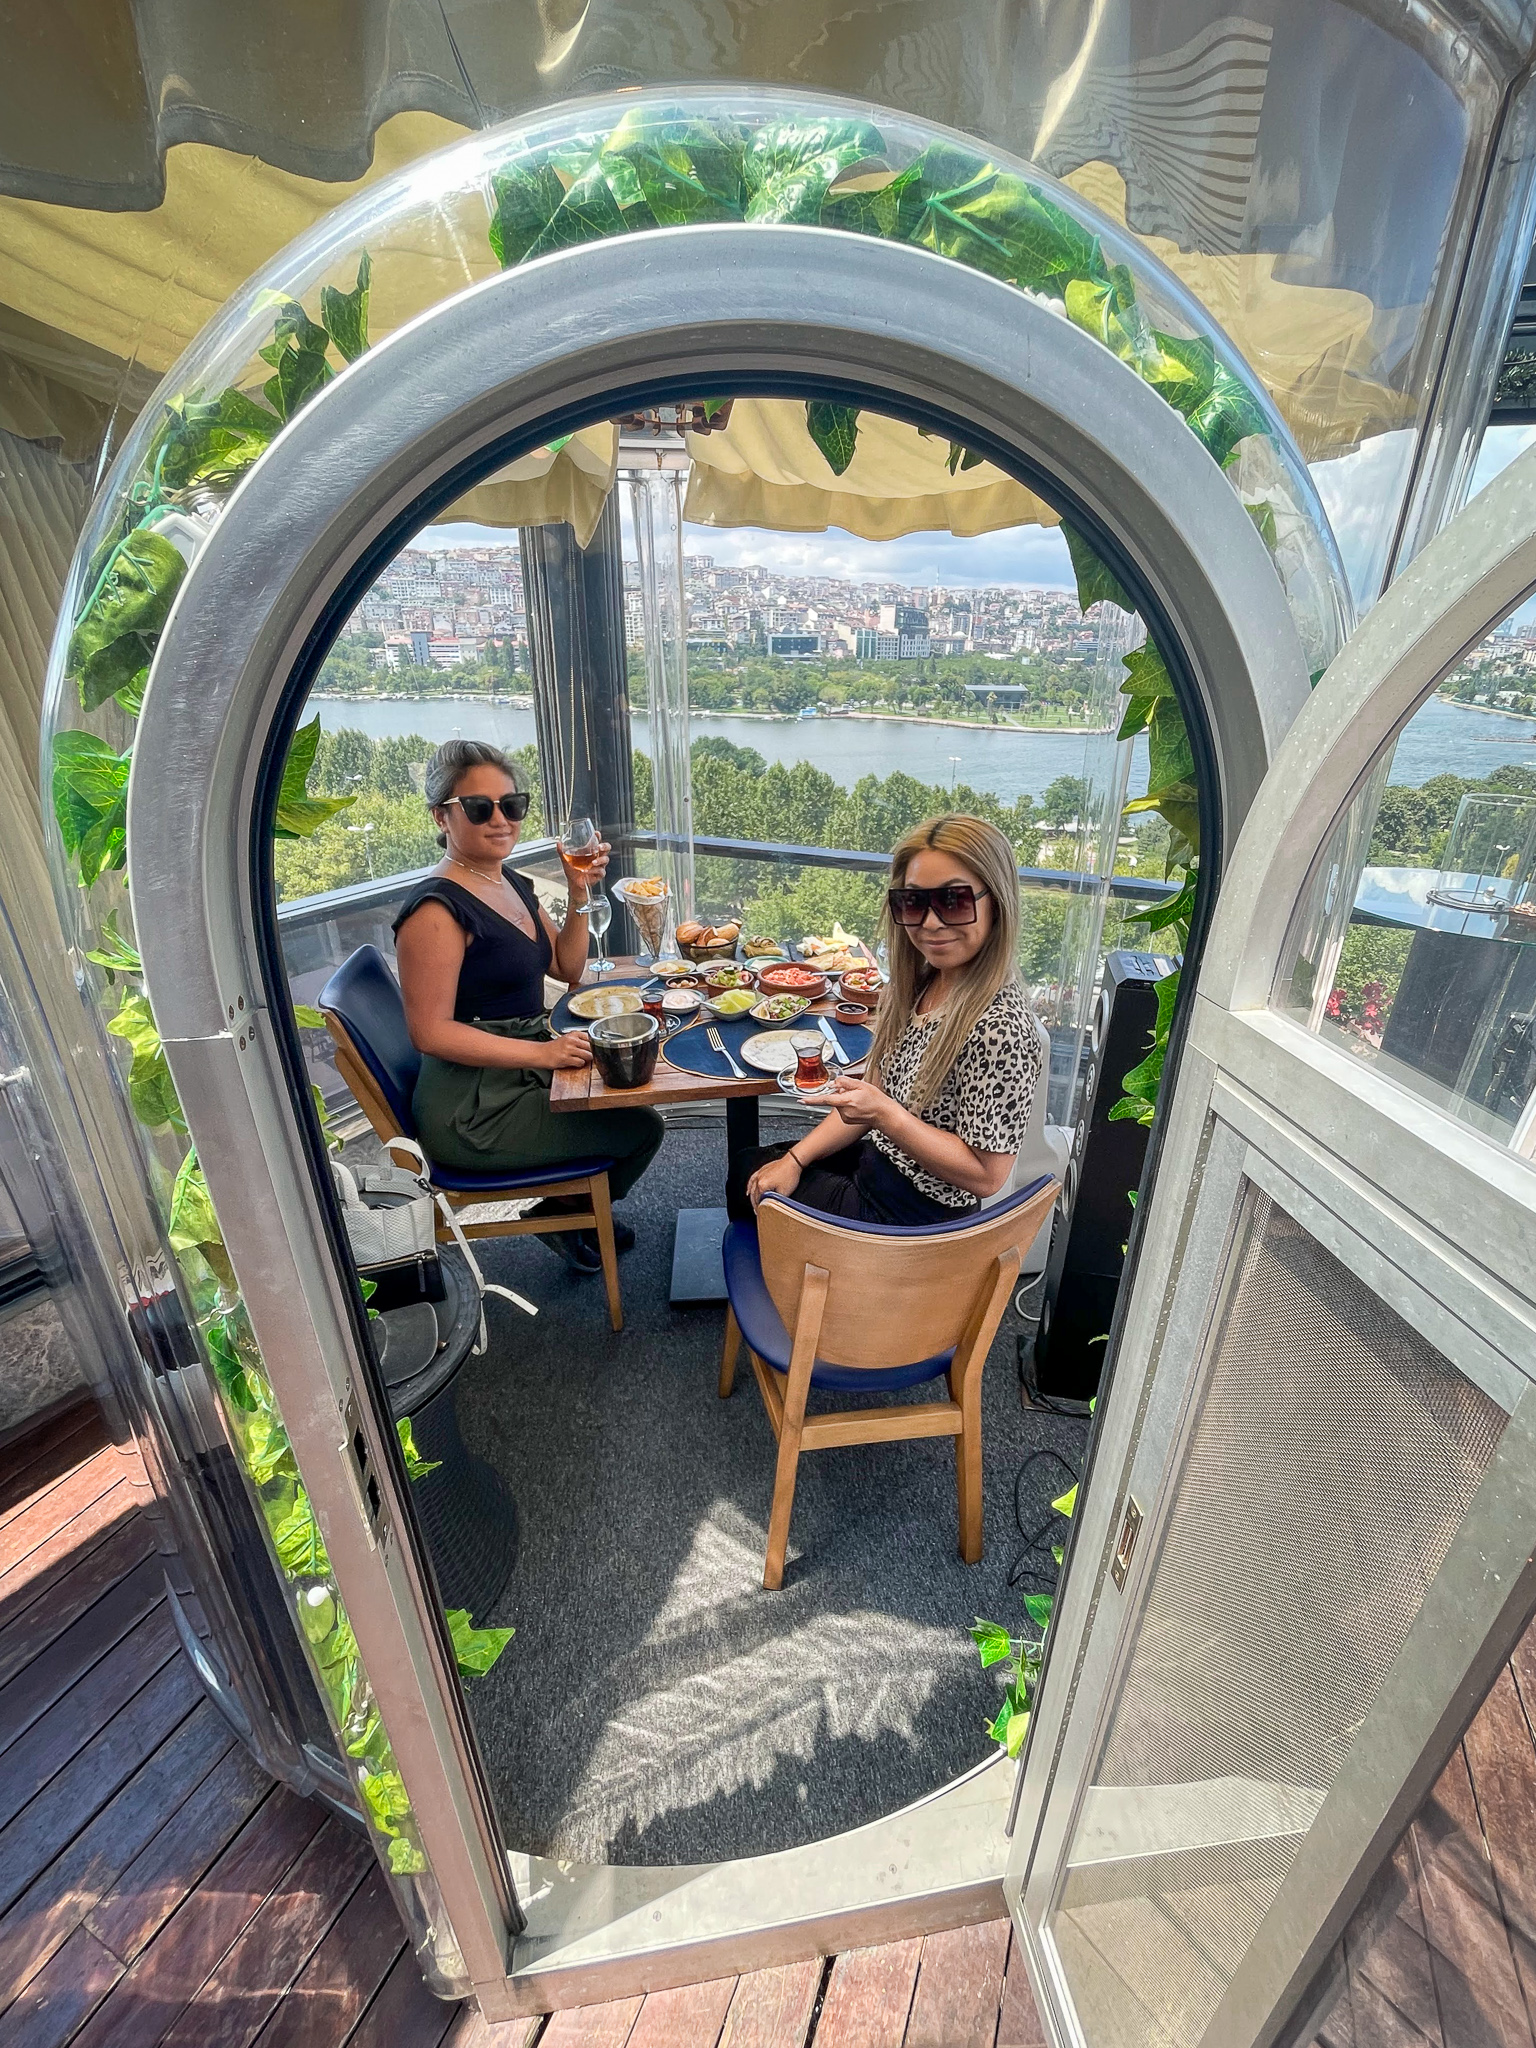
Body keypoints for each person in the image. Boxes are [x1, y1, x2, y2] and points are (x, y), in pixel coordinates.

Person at [393, 740, 663, 1272]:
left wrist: (580, 891)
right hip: (472, 1106)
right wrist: (543, 1056)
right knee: (640, 1130)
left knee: (628, 1098)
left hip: (516, 1068)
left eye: (511, 805)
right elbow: (430, 1033)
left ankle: (572, 1215)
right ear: (441, 817)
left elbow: (567, 966)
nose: (501, 820)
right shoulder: (435, 910)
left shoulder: (506, 880)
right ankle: (571, 1214)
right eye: (480, 808)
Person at [728, 814, 1040, 1226]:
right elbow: (873, 1094)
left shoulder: (1001, 1028)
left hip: (915, 1213)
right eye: (912, 902)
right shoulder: (922, 982)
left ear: (997, 902)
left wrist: (885, 1115)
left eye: (953, 901)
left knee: (745, 1183)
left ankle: (802, 1284)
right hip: (880, 1163)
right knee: (751, 1164)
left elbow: (987, 1175)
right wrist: (796, 1159)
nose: (930, 923)